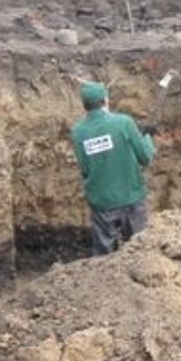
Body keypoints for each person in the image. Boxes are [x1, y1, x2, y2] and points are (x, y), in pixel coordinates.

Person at [71, 81, 155, 256]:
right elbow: (145, 158)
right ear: (105, 101)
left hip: (102, 204)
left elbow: (85, 169)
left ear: (85, 105)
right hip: (131, 198)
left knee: (104, 258)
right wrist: (147, 137)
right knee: (139, 252)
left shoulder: (78, 132)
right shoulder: (124, 123)